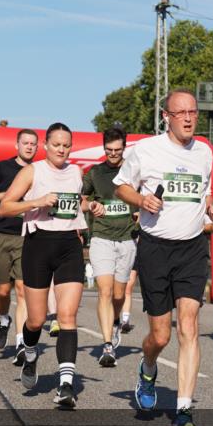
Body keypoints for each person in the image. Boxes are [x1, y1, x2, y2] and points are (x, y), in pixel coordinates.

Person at [114, 89, 213, 426]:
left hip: (192, 249)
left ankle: (184, 409)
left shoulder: (204, 152)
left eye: (193, 111)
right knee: (160, 336)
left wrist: (211, 207)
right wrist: (141, 198)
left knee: (188, 326)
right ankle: (147, 369)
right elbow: (120, 187)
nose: (189, 118)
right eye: (181, 113)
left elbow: (206, 189)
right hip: (156, 249)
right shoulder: (145, 150)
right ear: (167, 116)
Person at [0, 122, 90, 409]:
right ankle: (29, 351)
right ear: (46, 146)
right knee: (36, 320)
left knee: (67, 316)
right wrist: (37, 201)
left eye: (66, 145)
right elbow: (5, 207)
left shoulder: (76, 172)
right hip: (38, 245)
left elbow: (76, 202)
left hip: (69, 246)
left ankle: (65, 386)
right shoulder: (32, 171)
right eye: (57, 144)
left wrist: (92, 205)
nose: (62, 149)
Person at [83, 124, 138, 367]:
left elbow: (146, 196)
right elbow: (81, 200)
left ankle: (115, 322)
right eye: (109, 150)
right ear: (104, 148)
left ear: (124, 148)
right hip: (102, 237)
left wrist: (139, 210)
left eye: (117, 150)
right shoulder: (95, 172)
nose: (113, 154)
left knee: (118, 294)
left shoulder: (134, 170)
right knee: (104, 291)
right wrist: (92, 206)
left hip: (127, 238)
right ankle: (107, 346)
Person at [0, 130, 38, 351]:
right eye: (25, 143)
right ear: (17, 145)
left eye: (33, 144)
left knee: (22, 289)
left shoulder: (39, 171)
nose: (29, 147)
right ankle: (4, 320)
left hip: (26, 235)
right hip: (2, 234)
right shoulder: (2, 168)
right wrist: (9, 196)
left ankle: (21, 342)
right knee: (3, 290)